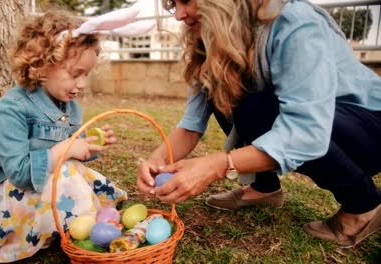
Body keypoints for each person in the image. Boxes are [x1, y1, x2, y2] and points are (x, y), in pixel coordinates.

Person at [137, 0, 381, 248]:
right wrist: (158, 160)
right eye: (173, 4)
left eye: (186, 0)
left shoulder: (292, 21)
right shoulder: (211, 41)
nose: (178, 14)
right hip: (326, 125)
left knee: (256, 108)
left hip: (369, 129)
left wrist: (217, 165)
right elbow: (191, 125)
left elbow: (306, 130)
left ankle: (363, 205)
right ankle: (264, 188)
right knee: (227, 93)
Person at [0, 10, 129, 262]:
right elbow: (20, 173)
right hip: (12, 191)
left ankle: (70, 220)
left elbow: (77, 149)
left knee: (70, 173)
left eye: (86, 74)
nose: (82, 84)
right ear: (41, 66)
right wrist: (65, 149)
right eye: (75, 73)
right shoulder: (11, 108)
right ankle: (62, 223)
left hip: (53, 178)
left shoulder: (70, 105)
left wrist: (91, 146)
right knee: (66, 173)